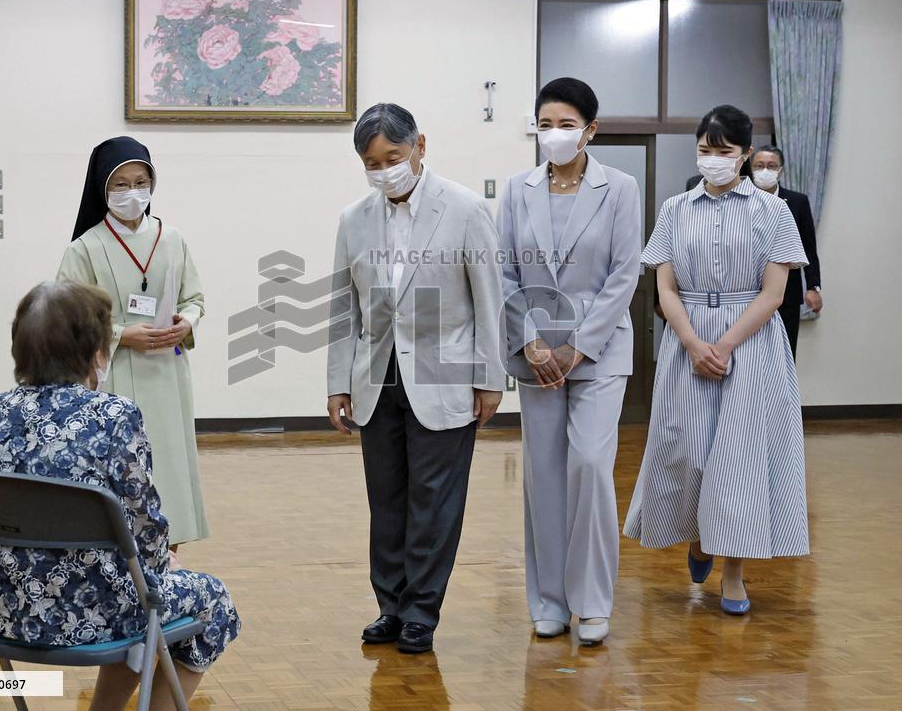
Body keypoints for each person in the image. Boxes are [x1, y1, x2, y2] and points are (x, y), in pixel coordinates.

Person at [0, 281, 239, 711]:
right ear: (96, 352)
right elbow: (145, 525)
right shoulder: (114, 415)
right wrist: (159, 563)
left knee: (141, 595)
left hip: (7, 609)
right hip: (96, 612)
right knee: (211, 601)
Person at [326, 103, 506, 654]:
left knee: (434, 501)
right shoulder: (353, 219)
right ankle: (390, 605)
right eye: (372, 163)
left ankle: (421, 612)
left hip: (445, 375)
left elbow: (489, 300)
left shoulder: (466, 209)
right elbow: (343, 309)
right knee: (386, 500)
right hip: (376, 378)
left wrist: (490, 377)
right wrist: (337, 382)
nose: (384, 171)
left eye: (394, 157)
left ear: (420, 147)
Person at [624, 105, 810, 615]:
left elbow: (774, 293)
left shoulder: (773, 212)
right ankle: (701, 536)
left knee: (739, 461)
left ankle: (734, 572)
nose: (712, 159)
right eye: (705, 150)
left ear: (746, 153)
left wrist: (725, 345)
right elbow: (664, 286)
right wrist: (690, 341)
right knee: (689, 452)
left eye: (723, 151)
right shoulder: (675, 209)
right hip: (686, 338)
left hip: (750, 342)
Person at [496, 78, 641, 645]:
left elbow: (624, 273)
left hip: (599, 352)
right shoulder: (517, 189)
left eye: (566, 124)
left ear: (590, 130)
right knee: (544, 475)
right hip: (536, 355)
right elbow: (505, 271)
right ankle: (550, 600)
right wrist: (531, 341)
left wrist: (577, 345)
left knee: (590, 465)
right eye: (545, 124)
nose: (554, 134)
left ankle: (593, 601)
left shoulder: (620, 188)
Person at [58, 136, 207, 547]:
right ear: (102, 189)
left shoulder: (172, 238)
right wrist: (122, 334)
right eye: (120, 185)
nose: (132, 193)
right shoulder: (85, 248)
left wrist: (186, 322)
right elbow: (69, 316)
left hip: (167, 371)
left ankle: (169, 556)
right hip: (114, 375)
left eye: (140, 182)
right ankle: (122, 560)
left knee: (169, 468)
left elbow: (194, 299)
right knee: (123, 468)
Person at [750, 145, 823, 357]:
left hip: (786, 293)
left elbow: (808, 247)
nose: (765, 170)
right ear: (751, 168)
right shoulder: (739, 199)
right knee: (752, 356)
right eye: (759, 166)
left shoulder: (797, 201)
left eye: (771, 166)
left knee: (785, 353)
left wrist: (813, 286)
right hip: (747, 291)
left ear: (780, 170)